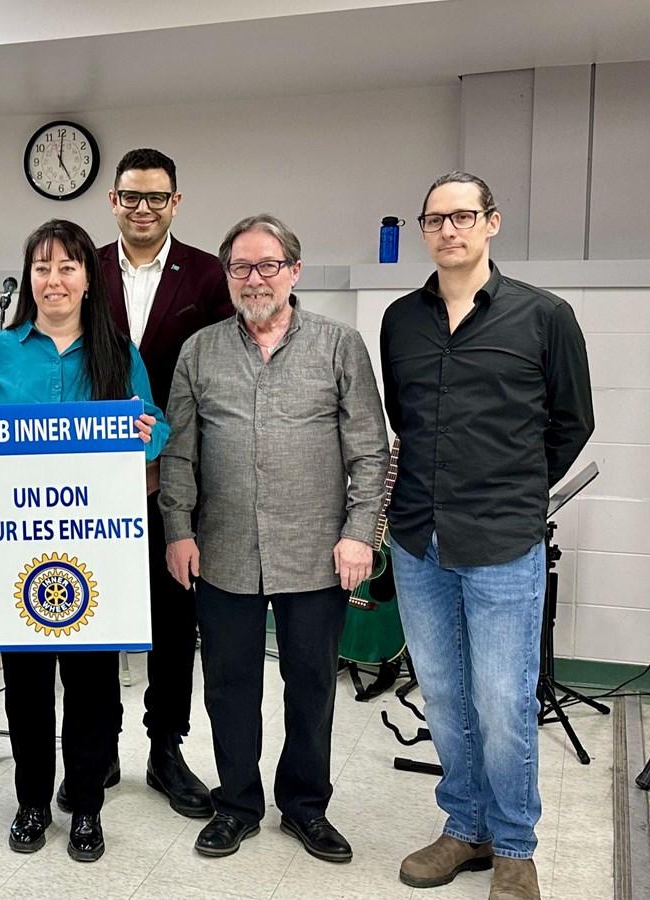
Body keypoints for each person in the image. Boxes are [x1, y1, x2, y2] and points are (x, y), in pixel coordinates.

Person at [381, 173, 593, 900]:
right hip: (418, 539)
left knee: (503, 700)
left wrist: (514, 491)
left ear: (492, 224)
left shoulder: (545, 316)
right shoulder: (401, 321)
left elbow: (573, 423)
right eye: (435, 219)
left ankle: (513, 847)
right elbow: (403, 419)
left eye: (463, 216)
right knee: (442, 693)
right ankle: (464, 827)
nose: (449, 229)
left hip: (503, 540)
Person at [160, 214, 388, 863]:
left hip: (317, 552)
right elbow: (178, 454)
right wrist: (177, 529)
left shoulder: (340, 346)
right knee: (229, 685)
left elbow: (370, 452)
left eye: (267, 265)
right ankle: (236, 804)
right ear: (227, 276)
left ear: (294, 270)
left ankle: (305, 807)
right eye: (240, 267)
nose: (253, 278)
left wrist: (359, 535)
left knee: (311, 682)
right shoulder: (199, 351)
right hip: (223, 548)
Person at [0, 219, 168, 863]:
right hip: (18, 549)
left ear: (87, 279)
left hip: (96, 551)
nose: (54, 280)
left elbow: (157, 430)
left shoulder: (118, 352)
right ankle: (30, 802)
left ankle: (87, 808)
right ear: (30, 278)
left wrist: (139, 431)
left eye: (68, 266)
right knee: (26, 686)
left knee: (94, 689)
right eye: (42, 267)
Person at [60, 147, 232, 819]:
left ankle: (165, 746)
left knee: (171, 616)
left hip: (177, 478)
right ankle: (96, 749)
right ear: (112, 201)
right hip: (92, 481)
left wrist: (170, 461)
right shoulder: (83, 267)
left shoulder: (209, 275)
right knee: (92, 611)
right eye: (131, 196)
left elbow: (221, 371)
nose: (142, 209)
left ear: (176, 203)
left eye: (156, 198)